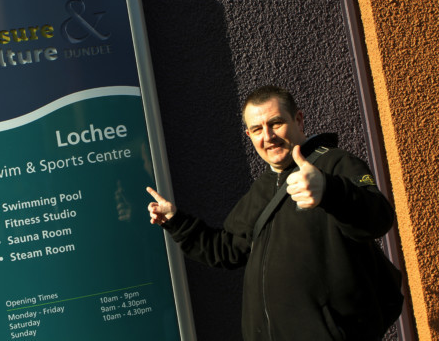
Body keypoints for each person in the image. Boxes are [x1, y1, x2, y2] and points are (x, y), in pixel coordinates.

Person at [147, 85, 397, 341]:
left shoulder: (334, 164)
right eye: (257, 129)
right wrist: (177, 222)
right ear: (249, 134)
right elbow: (227, 250)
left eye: (275, 123)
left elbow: (378, 219)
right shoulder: (265, 186)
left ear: (298, 120)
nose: (268, 137)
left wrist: (329, 190)